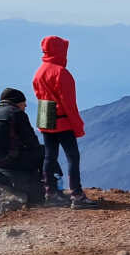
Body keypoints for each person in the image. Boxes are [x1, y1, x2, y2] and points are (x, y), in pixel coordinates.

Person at [33, 35, 97, 208]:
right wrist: (77, 126)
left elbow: (40, 97)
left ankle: (50, 193)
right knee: (72, 156)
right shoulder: (61, 73)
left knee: (49, 156)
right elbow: (69, 104)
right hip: (62, 119)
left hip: (45, 114)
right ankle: (77, 196)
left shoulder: (39, 71)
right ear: (60, 51)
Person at [0, 88, 45, 203]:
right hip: (1, 161)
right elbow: (32, 143)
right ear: (18, 102)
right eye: (24, 103)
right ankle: (46, 189)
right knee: (42, 151)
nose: (25, 106)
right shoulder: (16, 113)